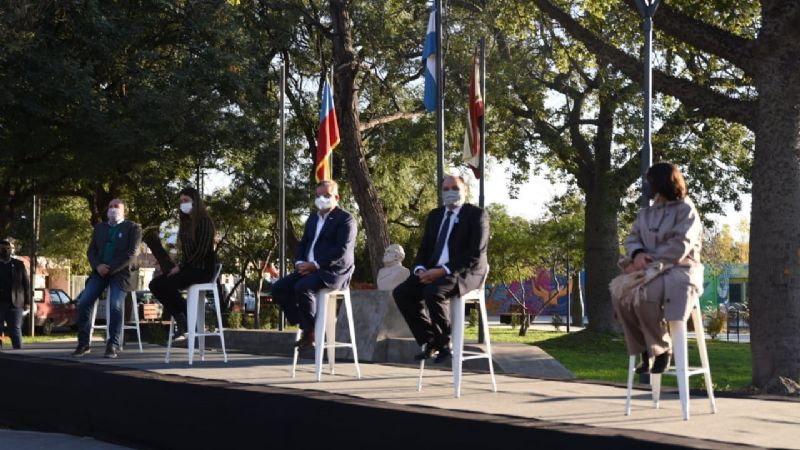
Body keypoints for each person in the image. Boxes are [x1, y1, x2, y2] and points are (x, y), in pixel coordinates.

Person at [613, 162, 703, 374]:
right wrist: (637, 254)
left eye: (650, 181)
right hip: (646, 268)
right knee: (620, 295)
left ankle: (662, 348)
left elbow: (680, 245)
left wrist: (649, 259)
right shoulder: (646, 213)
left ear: (662, 182)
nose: (646, 186)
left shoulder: (686, 210)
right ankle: (645, 349)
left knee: (644, 294)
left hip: (679, 270)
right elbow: (632, 238)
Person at [393, 175, 489, 363]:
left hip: (464, 272)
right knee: (402, 293)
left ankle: (444, 343)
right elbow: (423, 249)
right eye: (445, 189)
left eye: (454, 188)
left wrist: (443, 270)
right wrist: (420, 269)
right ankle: (430, 340)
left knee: (433, 292)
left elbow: (474, 254)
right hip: (432, 271)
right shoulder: (435, 216)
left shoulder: (476, 215)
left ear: (465, 190)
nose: (450, 192)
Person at [271, 180, 357, 349]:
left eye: (326, 195)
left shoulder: (346, 219)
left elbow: (342, 250)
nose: (322, 199)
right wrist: (300, 262)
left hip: (332, 271)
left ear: (336, 197)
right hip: (308, 268)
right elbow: (303, 244)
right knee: (278, 288)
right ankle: (305, 325)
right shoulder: (312, 218)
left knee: (303, 287)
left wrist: (316, 265)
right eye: (318, 196)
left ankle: (310, 333)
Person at [72, 199, 142, 358]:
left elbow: (132, 254)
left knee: (115, 305)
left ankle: (113, 344)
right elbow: (91, 252)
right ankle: (83, 344)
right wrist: (98, 267)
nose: (112, 209)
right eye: (110, 206)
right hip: (100, 272)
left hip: (121, 273)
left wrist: (110, 268)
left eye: (116, 206)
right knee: (84, 301)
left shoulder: (133, 228)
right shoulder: (100, 228)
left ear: (125, 209)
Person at [149, 187, 216, 342]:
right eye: (181, 201)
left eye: (186, 200)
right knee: (156, 284)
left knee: (167, 284)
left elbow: (201, 252)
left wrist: (181, 267)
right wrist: (179, 266)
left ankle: (186, 318)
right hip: (188, 268)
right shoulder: (185, 224)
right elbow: (186, 254)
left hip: (202, 270)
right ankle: (182, 318)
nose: (183, 204)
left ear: (195, 201)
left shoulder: (204, 222)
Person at [0, 238, 31, 349]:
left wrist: (28, 302)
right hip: (1, 303)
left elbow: (26, 284)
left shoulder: (18, 265)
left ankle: (19, 353)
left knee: (15, 329)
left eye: (6, 249)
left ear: (10, 250)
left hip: (15, 303)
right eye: (1, 249)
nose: (4, 251)